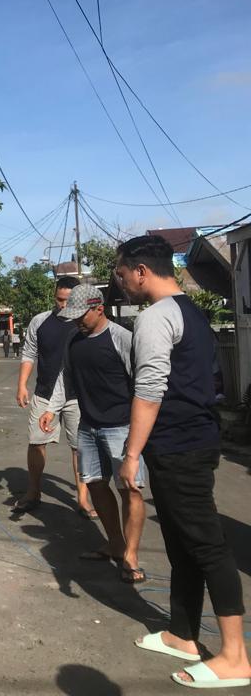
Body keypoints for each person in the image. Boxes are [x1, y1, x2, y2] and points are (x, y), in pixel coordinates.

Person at [115, 236, 251, 689]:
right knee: (180, 543)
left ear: (140, 271)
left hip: (179, 446)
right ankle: (182, 633)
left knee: (207, 545)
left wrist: (131, 455)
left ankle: (234, 656)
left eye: (120, 274)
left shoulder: (156, 317)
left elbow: (150, 388)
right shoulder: (191, 310)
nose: (120, 283)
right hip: (189, 441)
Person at [40, 285, 147, 583]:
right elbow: (65, 376)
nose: (77, 322)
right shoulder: (74, 339)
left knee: (131, 490)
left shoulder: (123, 339)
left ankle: (131, 555)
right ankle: (115, 543)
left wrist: (139, 436)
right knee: (96, 485)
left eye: (81, 316)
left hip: (122, 428)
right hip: (88, 426)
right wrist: (52, 408)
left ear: (99, 308)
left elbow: (143, 385)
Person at [13, 275, 93, 517]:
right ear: (54, 296)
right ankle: (33, 492)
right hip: (45, 393)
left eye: (68, 301)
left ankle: (82, 498)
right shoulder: (40, 322)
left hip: (77, 396)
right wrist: (22, 385)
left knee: (79, 448)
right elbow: (29, 354)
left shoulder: (84, 322)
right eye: (59, 299)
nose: (63, 305)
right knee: (36, 443)